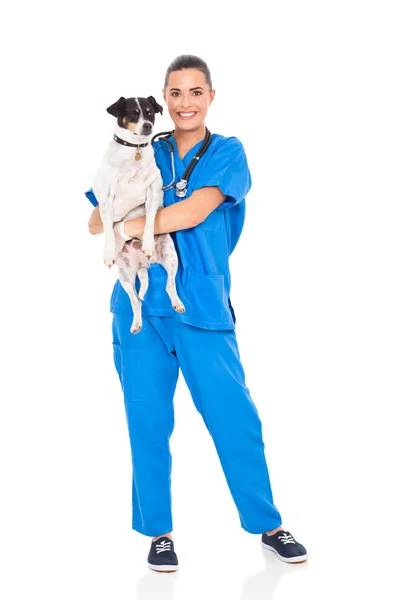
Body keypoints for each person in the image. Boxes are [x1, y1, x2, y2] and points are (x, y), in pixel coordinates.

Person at [86, 55, 307, 572]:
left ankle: (269, 525)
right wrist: (121, 215)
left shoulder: (227, 152)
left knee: (235, 420)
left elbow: (193, 210)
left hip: (202, 307)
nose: (185, 103)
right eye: (175, 94)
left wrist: (131, 217)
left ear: (211, 97)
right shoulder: (140, 148)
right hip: (139, 309)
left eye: (195, 92)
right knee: (146, 421)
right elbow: (96, 221)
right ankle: (159, 534)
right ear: (163, 101)